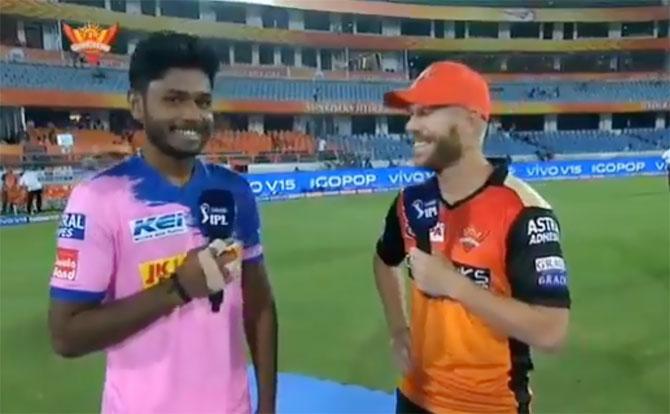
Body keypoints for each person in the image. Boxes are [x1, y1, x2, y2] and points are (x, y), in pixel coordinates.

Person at [48, 32, 277, 414]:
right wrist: (176, 289)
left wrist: (267, 407)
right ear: (137, 105)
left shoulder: (233, 191)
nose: (192, 115)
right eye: (174, 99)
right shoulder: (98, 198)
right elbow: (66, 334)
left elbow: (261, 306)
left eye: (203, 102)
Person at [373, 61, 571, 414]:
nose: (410, 125)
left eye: (427, 112)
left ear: (471, 120)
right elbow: (383, 260)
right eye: (412, 113)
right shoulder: (409, 202)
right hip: (414, 397)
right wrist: (398, 328)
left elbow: (550, 332)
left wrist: (454, 284)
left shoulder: (524, 212)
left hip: (489, 405)